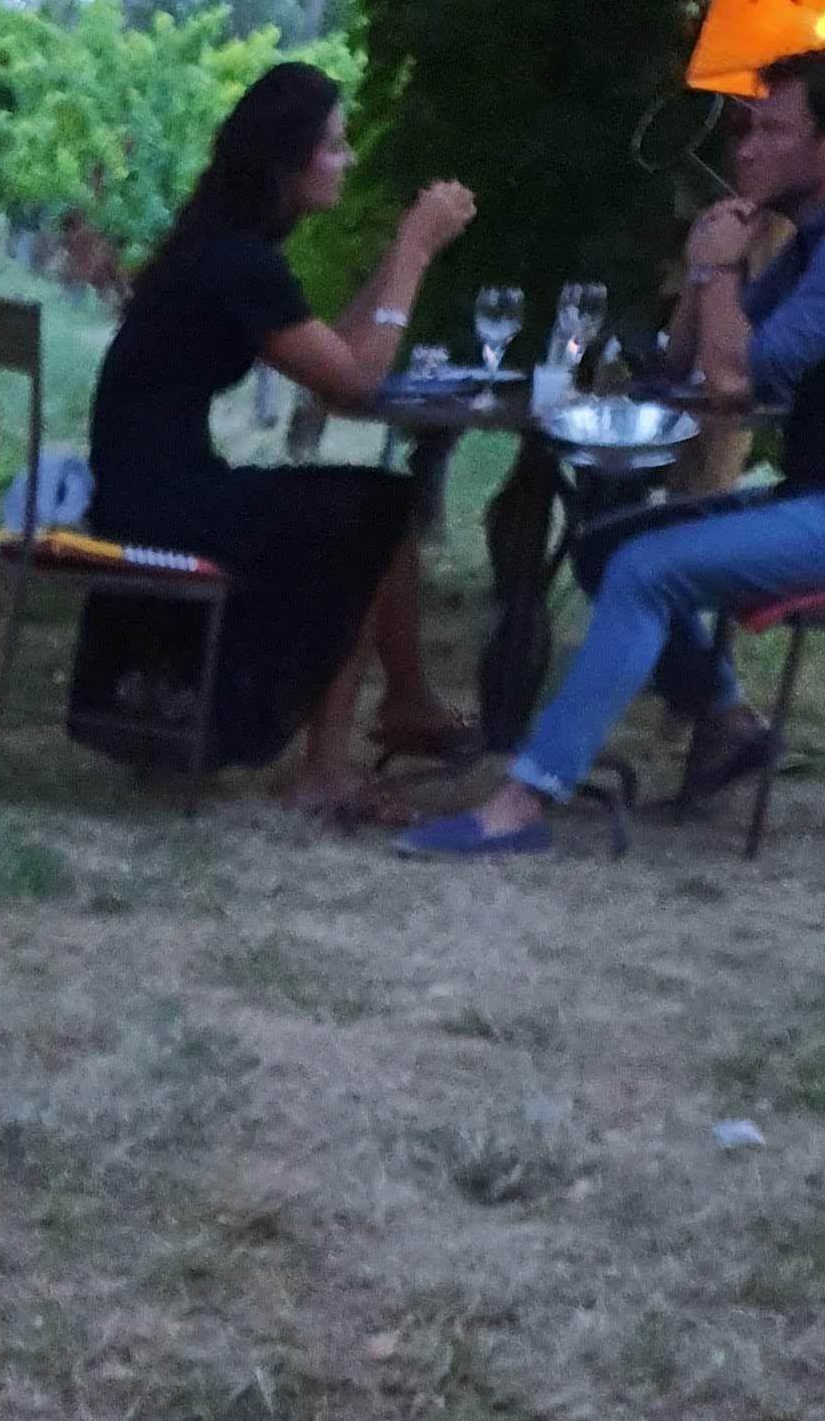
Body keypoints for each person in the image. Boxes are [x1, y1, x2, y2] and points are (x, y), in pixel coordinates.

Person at [399, 52, 825, 858]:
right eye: (748, 128)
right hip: (806, 495)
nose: (745, 147)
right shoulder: (806, 249)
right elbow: (683, 369)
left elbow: (735, 379)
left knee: (644, 569)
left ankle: (521, 804)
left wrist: (721, 267)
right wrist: (703, 272)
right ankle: (728, 723)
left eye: (773, 130)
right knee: (603, 547)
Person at [74, 63, 477, 819]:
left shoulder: (225, 250)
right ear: (287, 160)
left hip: (147, 488)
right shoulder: (237, 263)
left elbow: (335, 361)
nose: (346, 160)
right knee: (366, 513)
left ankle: (405, 702)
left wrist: (393, 259)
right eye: (334, 146)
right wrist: (416, 252)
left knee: (375, 505)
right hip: (163, 506)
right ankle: (332, 770)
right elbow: (354, 385)